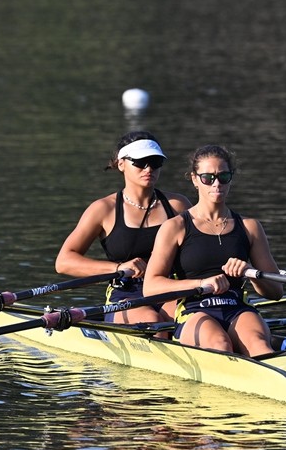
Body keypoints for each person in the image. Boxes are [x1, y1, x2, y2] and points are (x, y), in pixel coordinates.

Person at [143, 144, 284, 357]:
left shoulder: (250, 227)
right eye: (208, 178)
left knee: (260, 346)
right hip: (194, 310)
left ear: (230, 178)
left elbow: (276, 292)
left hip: (237, 307)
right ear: (194, 179)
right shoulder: (175, 227)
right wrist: (201, 284)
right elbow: (151, 288)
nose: (216, 184)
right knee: (220, 344)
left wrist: (250, 272)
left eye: (223, 177)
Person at [56, 132, 192, 325]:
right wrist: (118, 268)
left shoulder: (177, 205)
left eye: (155, 162)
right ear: (121, 164)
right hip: (126, 292)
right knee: (153, 320)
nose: (149, 168)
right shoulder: (104, 209)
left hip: (168, 287)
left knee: (183, 319)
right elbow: (64, 262)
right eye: (140, 162)